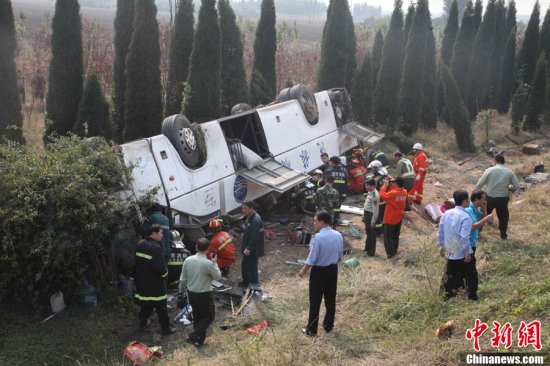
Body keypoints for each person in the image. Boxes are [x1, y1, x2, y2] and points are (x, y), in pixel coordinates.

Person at [298, 211, 343, 336]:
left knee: (315, 301)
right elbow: (340, 254)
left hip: (319, 272)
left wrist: (303, 271)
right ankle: (328, 325)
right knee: (330, 298)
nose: (314, 223)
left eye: (315, 221)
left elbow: (312, 258)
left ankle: (312, 329)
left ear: (322, 222)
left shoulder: (317, 238)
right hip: (333, 270)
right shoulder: (338, 234)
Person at [179, 238, 222, 347]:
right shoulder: (208, 264)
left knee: (198, 317)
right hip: (204, 294)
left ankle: (198, 341)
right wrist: (214, 263)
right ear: (208, 249)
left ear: (196, 247)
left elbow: (182, 279)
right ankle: (193, 336)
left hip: (191, 293)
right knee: (209, 317)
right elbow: (218, 276)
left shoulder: (188, 260)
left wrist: (181, 293)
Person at [134, 224, 175, 336]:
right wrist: (165, 275)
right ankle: (166, 330)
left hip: (142, 282)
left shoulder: (140, 244)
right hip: (155, 284)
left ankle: (143, 322)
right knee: (161, 307)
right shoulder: (156, 247)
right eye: (161, 233)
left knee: (146, 304)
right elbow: (160, 267)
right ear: (154, 233)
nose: (162, 236)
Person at [438, 190, 473, 300]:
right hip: (460, 252)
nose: (469, 201)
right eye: (468, 199)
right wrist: (467, 252)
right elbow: (465, 237)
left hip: (449, 249)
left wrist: (442, 246)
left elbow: (440, 232)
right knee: (466, 273)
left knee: (450, 273)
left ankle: (446, 294)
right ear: (464, 201)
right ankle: (459, 295)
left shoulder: (446, 213)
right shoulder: (465, 217)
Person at [475, 154, 519, 240]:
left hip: (489, 197)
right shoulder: (510, 172)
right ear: (503, 162)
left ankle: (477, 233)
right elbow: (516, 186)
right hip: (503, 198)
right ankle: (503, 236)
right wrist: (509, 188)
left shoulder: (489, 170)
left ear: (494, 161)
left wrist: (478, 194)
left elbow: (479, 184)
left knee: (483, 215)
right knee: (503, 217)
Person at [463, 190, 494, 300]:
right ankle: (472, 295)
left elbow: (482, 220)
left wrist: (485, 209)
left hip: (471, 242)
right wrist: (487, 218)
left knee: (465, 269)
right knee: (471, 271)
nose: (484, 201)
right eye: (483, 199)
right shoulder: (469, 210)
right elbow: (474, 226)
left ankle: (463, 290)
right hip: (467, 243)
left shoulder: (475, 209)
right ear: (476, 199)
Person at [379, 177, 407, 258]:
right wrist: (391, 183)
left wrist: (384, 186)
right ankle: (395, 250)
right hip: (399, 217)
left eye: (394, 182)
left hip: (390, 218)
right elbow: (396, 190)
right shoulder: (404, 192)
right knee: (395, 235)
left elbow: (382, 195)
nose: (393, 183)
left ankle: (390, 253)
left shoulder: (393, 194)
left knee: (388, 236)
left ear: (396, 184)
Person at [240, 201, 264, 286]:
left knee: (252, 267)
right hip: (247, 246)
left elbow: (254, 236)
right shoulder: (249, 217)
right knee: (245, 265)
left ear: (251, 208)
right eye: (242, 208)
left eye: (245, 208)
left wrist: (249, 248)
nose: (243, 210)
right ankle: (246, 281)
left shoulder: (255, 220)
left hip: (253, 249)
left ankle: (254, 285)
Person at [324, 156, 348, 225]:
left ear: (331, 162)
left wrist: (318, 182)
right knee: (337, 207)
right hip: (340, 193)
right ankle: (336, 220)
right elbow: (346, 183)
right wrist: (344, 194)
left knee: (328, 208)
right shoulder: (344, 171)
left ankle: (328, 222)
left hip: (329, 193)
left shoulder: (328, 171)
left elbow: (323, 182)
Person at [363, 178, 379, 256]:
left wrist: (373, 221)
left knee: (372, 234)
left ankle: (371, 252)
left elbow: (375, 210)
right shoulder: (370, 192)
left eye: (367, 185)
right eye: (366, 185)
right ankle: (367, 248)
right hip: (367, 214)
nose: (366, 187)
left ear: (372, 186)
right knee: (368, 232)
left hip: (370, 215)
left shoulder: (375, 195)